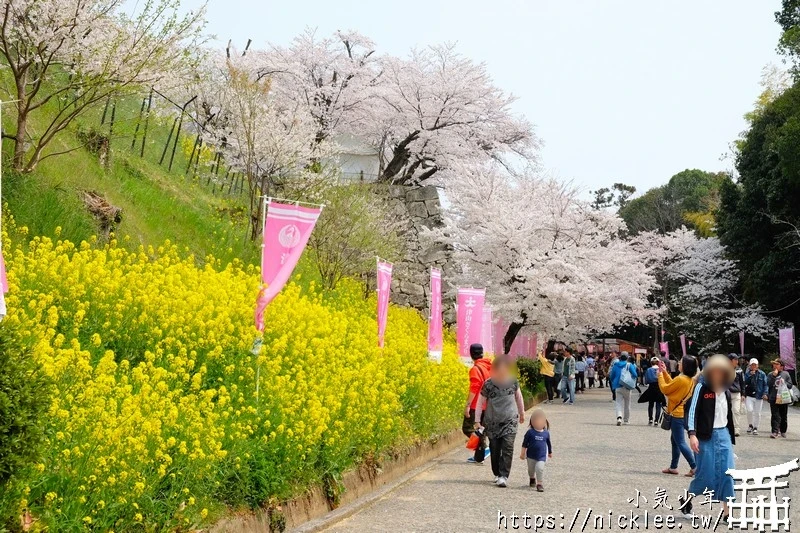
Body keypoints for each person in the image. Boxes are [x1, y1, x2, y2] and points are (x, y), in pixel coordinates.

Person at [680, 354, 736, 520]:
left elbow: (728, 416)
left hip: (723, 435)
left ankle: (728, 514)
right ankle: (687, 500)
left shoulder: (726, 390)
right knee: (706, 474)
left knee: (728, 474)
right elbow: (692, 412)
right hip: (705, 437)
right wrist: (692, 434)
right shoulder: (701, 388)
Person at [475, 355, 526, 487]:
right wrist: (477, 420)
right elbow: (480, 402)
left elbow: (519, 398)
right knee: (495, 449)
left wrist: (521, 413)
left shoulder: (513, 382)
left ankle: (504, 475)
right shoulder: (488, 384)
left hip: (510, 420)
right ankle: (497, 473)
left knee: (508, 448)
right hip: (492, 422)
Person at [658, 356, 698, 477]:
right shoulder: (689, 379)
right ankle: (673, 467)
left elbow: (666, 389)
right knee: (675, 441)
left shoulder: (681, 379)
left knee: (680, 442)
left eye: (681, 362)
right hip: (680, 413)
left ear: (685, 366)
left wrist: (660, 375)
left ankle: (694, 466)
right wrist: (664, 372)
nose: (679, 363)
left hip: (676, 414)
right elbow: (671, 384)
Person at [462, 343, 492, 464]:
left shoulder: (475, 369)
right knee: (480, 429)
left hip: (476, 405)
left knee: (467, 428)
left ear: (471, 354)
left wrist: (468, 405)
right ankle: (479, 455)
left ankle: (484, 449)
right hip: (487, 404)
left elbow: (474, 388)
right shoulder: (489, 367)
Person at [520, 408, 552, 492]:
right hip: (531, 455)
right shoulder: (530, 432)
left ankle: (539, 483)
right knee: (531, 470)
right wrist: (522, 453)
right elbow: (524, 444)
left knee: (540, 468)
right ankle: (532, 478)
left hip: (541, 456)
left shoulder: (546, 433)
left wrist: (550, 452)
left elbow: (548, 443)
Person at [609, 352, 637, 425]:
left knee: (618, 403)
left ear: (620, 357)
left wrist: (613, 382)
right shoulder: (629, 365)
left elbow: (612, 376)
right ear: (627, 358)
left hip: (618, 386)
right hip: (627, 386)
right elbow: (635, 374)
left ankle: (619, 417)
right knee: (627, 404)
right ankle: (626, 420)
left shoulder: (615, 365)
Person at [767, 359, 792, 439]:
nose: (775, 366)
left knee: (783, 415)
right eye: (774, 364)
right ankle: (774, 432)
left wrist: (784, 382)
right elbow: (768, 384)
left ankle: (783, 431)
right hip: (774, 397)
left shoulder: (786, 374)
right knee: (775, 415)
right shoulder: (771, 374)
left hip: (783, 398)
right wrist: (774, 376)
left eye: (777, 364)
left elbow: (790, 385)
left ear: (782, 366)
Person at [743, 358, 768, 436]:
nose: (753, 366)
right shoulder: (747, 373)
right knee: (749, 410)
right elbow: (744, 383)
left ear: (757, 365)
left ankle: (756, 427)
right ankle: (750, 425)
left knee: (757, 413)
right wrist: (750, 375)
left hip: (759, 395)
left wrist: (765, 393)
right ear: (750, 366)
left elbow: (765, 384)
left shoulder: (762, 374)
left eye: (755, 365)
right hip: (749, 395)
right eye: (752, 365)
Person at [639, 357, 665, 426]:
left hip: (651, 388)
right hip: (659, 388)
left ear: (651, 363)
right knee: (658, 405)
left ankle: (650, 419)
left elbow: (646, 381)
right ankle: (656, 420)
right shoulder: (661, 370)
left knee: (651, 404)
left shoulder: (648, 370)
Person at [727, 353, 745, 437]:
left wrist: (743, 394)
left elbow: (742, 382)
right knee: (726, 411)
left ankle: (736, 429)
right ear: (730, 360)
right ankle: (727, 428)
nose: (737, 361)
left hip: (737, 393)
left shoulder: (739, 370)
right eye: (735, 359)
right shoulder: (724, 369)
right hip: (727, 393)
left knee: (736, 411)